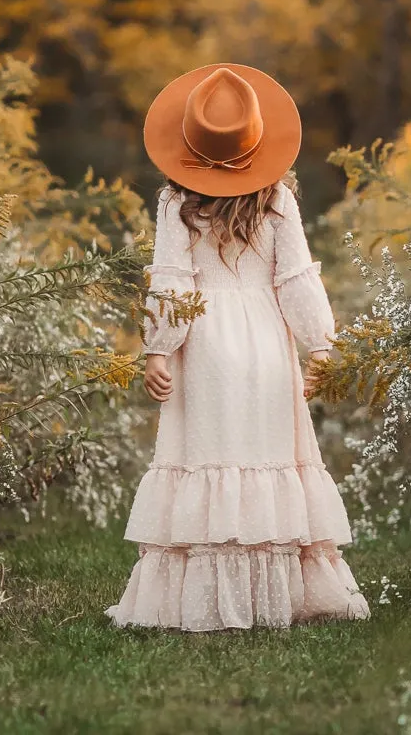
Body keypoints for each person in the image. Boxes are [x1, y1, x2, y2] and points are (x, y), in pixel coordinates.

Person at [106, 63, 371, 631]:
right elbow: (296, 278)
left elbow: (172, 278)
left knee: (208, 454)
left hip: (203, 342)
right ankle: (274, 596)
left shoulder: (176, 202)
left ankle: (205, 599)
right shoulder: (277, 200)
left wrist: (158, 346)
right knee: (265, 452)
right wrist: (319, 346)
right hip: (266, 341)